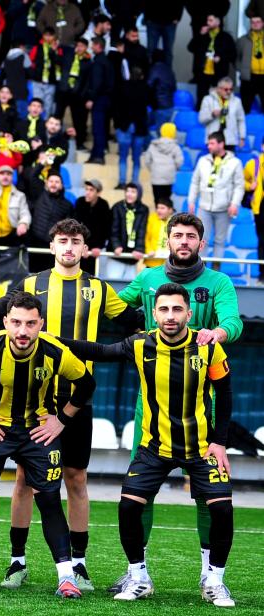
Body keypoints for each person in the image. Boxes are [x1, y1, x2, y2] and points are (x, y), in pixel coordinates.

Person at [0, 220, 142, 591]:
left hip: (77, 397)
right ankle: (17, 562)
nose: (68, 247)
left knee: (76, 478)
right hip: (32, 397)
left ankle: (78, 565)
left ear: (85, 249)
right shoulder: (31, 284)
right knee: (24, 480)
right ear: (51, 246)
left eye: (75, 241)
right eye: (62, 240)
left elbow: (136, 321)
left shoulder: (99, 289)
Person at [59, 283, 236, 607]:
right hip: (154, 447)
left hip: (201, 448)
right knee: (129, 506)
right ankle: (138, 577)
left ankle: (214, 580)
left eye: (177, 309)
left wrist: (220, 443)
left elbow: (224, 394)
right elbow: (100, 352)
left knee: (222, 509)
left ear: (189, 313)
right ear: (154, 313)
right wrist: (53, 341)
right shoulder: (140, 344)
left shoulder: (208, 348)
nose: (170, 316)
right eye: (164, 309)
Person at [110, 212, 242, 596]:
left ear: (201, 243)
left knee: (208, 495)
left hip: (201, 404)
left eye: (190, 236)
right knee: (140, 492)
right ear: (167, 240)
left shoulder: (218, 282)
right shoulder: (148, 278)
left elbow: (233, 323)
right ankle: (138, 574)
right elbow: (114, 307)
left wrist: (215, 333)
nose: (183, 241)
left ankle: (209, 575)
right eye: (177, 235)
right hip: (151, 405)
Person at [0, 291, 95, 596]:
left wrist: (61, 420)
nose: (23, 331)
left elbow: (87, 383)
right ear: (6, 322)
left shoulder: (55, 351)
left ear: (41, 324)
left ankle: (66, 578)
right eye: (17, 323)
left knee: (49, 500)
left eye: (30, 324)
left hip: (38, 431)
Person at [187, 131, 244, 265]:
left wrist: (234, 203)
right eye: (208, 144)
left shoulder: (235, 162)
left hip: (224, 209)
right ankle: (200, 270)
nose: (209, 146)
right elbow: (195, 182)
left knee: (220, 241)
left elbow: (239, 186)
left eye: (212, 143)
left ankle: (216, 272)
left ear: (221, 144)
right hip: (204, 207)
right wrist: (191, 201)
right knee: (202, 239)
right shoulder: (203, 161)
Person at [27, 169, 73, 272]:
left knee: (49, 276)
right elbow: (33, 176)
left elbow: (68, 228)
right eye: (51, 181)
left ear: (61, 185)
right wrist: (42, 163)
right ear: (46, 183)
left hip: (53, 247)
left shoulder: (67, 205)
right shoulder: (39, 194)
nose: (53, 184)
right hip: (34, 244)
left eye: (57, 182)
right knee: (32, 276)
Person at [188, 14, 235, 107]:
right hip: (203, 72)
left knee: (220, 100)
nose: (208, 23)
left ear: (218, 22)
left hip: (219, 72)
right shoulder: (203, 35)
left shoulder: (226, 37)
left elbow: (232, 54)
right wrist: (200, 35)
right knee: (201, 100)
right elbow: (190, 48)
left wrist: (221, 58)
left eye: (210, 20)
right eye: (207, 20)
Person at [113, 66, 149, 189]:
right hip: (140, 127)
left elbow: (116, 107)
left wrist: (117, 124)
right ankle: (134, 182)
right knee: (136, 158)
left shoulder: (122, 87)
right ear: (141, 76)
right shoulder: (145, 88)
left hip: (124, 126)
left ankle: (122, 182)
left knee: (123, 156)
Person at [55, 36, 90, 149]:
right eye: (78, 45)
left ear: (86, 48)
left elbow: (87, 80)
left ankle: (79, 142)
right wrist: (54, 51)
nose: (79, 48)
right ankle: (55, 139)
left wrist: (82, 94)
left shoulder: (88, 61)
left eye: (82, 46)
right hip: (63, 91)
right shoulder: (68, 55)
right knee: (57, 116)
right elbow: (57, 61)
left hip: (77, 94)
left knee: (78, 120)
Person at [108, 183, 148, 280]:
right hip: (117, 256)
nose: (129, 194)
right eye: (127, 191)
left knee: (129, 285)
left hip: (132, 257)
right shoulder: (117, 207)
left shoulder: (143, 209)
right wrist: (116, 245)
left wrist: (139, 249)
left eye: (133, 192)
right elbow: (113, 229)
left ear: (139, 194)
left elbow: (142, 230)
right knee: (113, 284)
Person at [72, 178, 111, 274]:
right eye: (86, 189)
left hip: (94, 251)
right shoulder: (80, 202)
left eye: (91, 190)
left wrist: (98, 247)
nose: (87, 192)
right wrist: (81, 245)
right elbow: (76, 226)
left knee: (90, 278)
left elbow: (105, 229)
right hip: (79, 248)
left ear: (98, 193)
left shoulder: (104, 205)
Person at [85, 37, 113, 165]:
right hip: (106, 99)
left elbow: (97, 83)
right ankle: (95, 154)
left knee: (98, 129)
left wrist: (91, 98)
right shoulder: (107, 61)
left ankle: (98, 155)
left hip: (99, 99)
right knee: (101, 128)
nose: (91, 47)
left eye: (93, 45)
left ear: (98, 45)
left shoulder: (98, 62)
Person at [198, 77, 246, 152]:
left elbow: (241, 120)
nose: (229, 92)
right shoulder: (208, 100)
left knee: (229, 159)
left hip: (230, 140)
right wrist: (212, 114)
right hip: (213, 140)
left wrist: (242, 137)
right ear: (218, 89)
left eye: (231, 89)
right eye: (226, 89)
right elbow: (201, 119)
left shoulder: (237, 101)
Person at [143, 122, 183, 203]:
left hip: (156, 176)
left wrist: (153, 169)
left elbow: (147, 160)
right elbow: (179, 161)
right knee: (168, 201)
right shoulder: (175, 147)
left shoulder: (153, 145)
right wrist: (174, 169)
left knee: (157, 200)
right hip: (170, 177)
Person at [243, 142, 264, 285]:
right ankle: (262, 275)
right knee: (262, 242)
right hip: (261, 208)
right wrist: (249, 186)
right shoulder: (253, 164)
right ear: (262, 146)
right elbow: (242, 180)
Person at [28, 27, 62, 116]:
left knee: (48, 106)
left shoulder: (58, 49)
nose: (48, 38)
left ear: (54, 36)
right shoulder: (37, 47)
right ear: (43, 36)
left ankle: (46, 123)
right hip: (37, 81)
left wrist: (54, 51)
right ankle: (35, 122)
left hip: (51, 82)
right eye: (46, 35)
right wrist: (34, 74)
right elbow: (29, 62)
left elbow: (59, 63)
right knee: (36, 104)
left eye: (50, 35)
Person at [237, 14, 264, 114]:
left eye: (258, 22)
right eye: (253, 22)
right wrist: (242, 69)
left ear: (262, 23)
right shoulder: (242, 40)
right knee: (245, 107)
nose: (255, 24)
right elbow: (236, 57)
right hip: (248, 78)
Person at [147, 49, 176, 132]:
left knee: (161, 134)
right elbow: (174, 88)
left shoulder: (154, 69)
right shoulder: (169, 70)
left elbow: (148, 86)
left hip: (160, 106)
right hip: (169, 106)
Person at [143, 197, 175, 268]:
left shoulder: (175, 222)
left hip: (168, 264)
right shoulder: (152, 219)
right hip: (152, 261)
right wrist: (149, 250)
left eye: (162, 208)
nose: (159, 210)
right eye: (158, 208)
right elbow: (146, 237)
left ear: (170, 210)